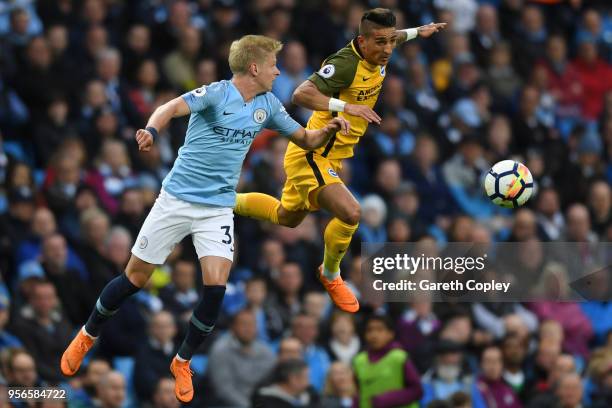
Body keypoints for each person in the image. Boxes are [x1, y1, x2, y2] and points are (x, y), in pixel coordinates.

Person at [60, 34, 350, 403]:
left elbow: (305, 139)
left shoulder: (269, 104)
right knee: (135, 278)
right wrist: (151, 130)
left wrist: (326, 130)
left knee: (216, 289)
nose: (279, 71)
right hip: (176, 200)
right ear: (254, 67)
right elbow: (167, 108)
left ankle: (182, 361)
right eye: (274, 64)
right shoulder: (215, 93)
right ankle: (87, 334)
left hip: (217, 208)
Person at [235, 8, 445, 313]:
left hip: (333, 155)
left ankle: (224, 200)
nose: (388, 49)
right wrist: (347, 107)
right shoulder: (345, 64)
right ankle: (331, 274)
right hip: (313, 153)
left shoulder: (380, 47)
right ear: (362, 41)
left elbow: (394, 36)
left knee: (286, 217)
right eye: (381, 43)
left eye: (390, 42)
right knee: (351, 212)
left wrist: (418, 31)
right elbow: (300, 95)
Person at [353, 314, 423, 408]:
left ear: (391, 334)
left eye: (380, 330)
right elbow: (357, 394)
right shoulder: (359, 361)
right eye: (369, 330)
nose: (374, 335)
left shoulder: (399, 357)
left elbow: (417, 390)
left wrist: (388, 399)